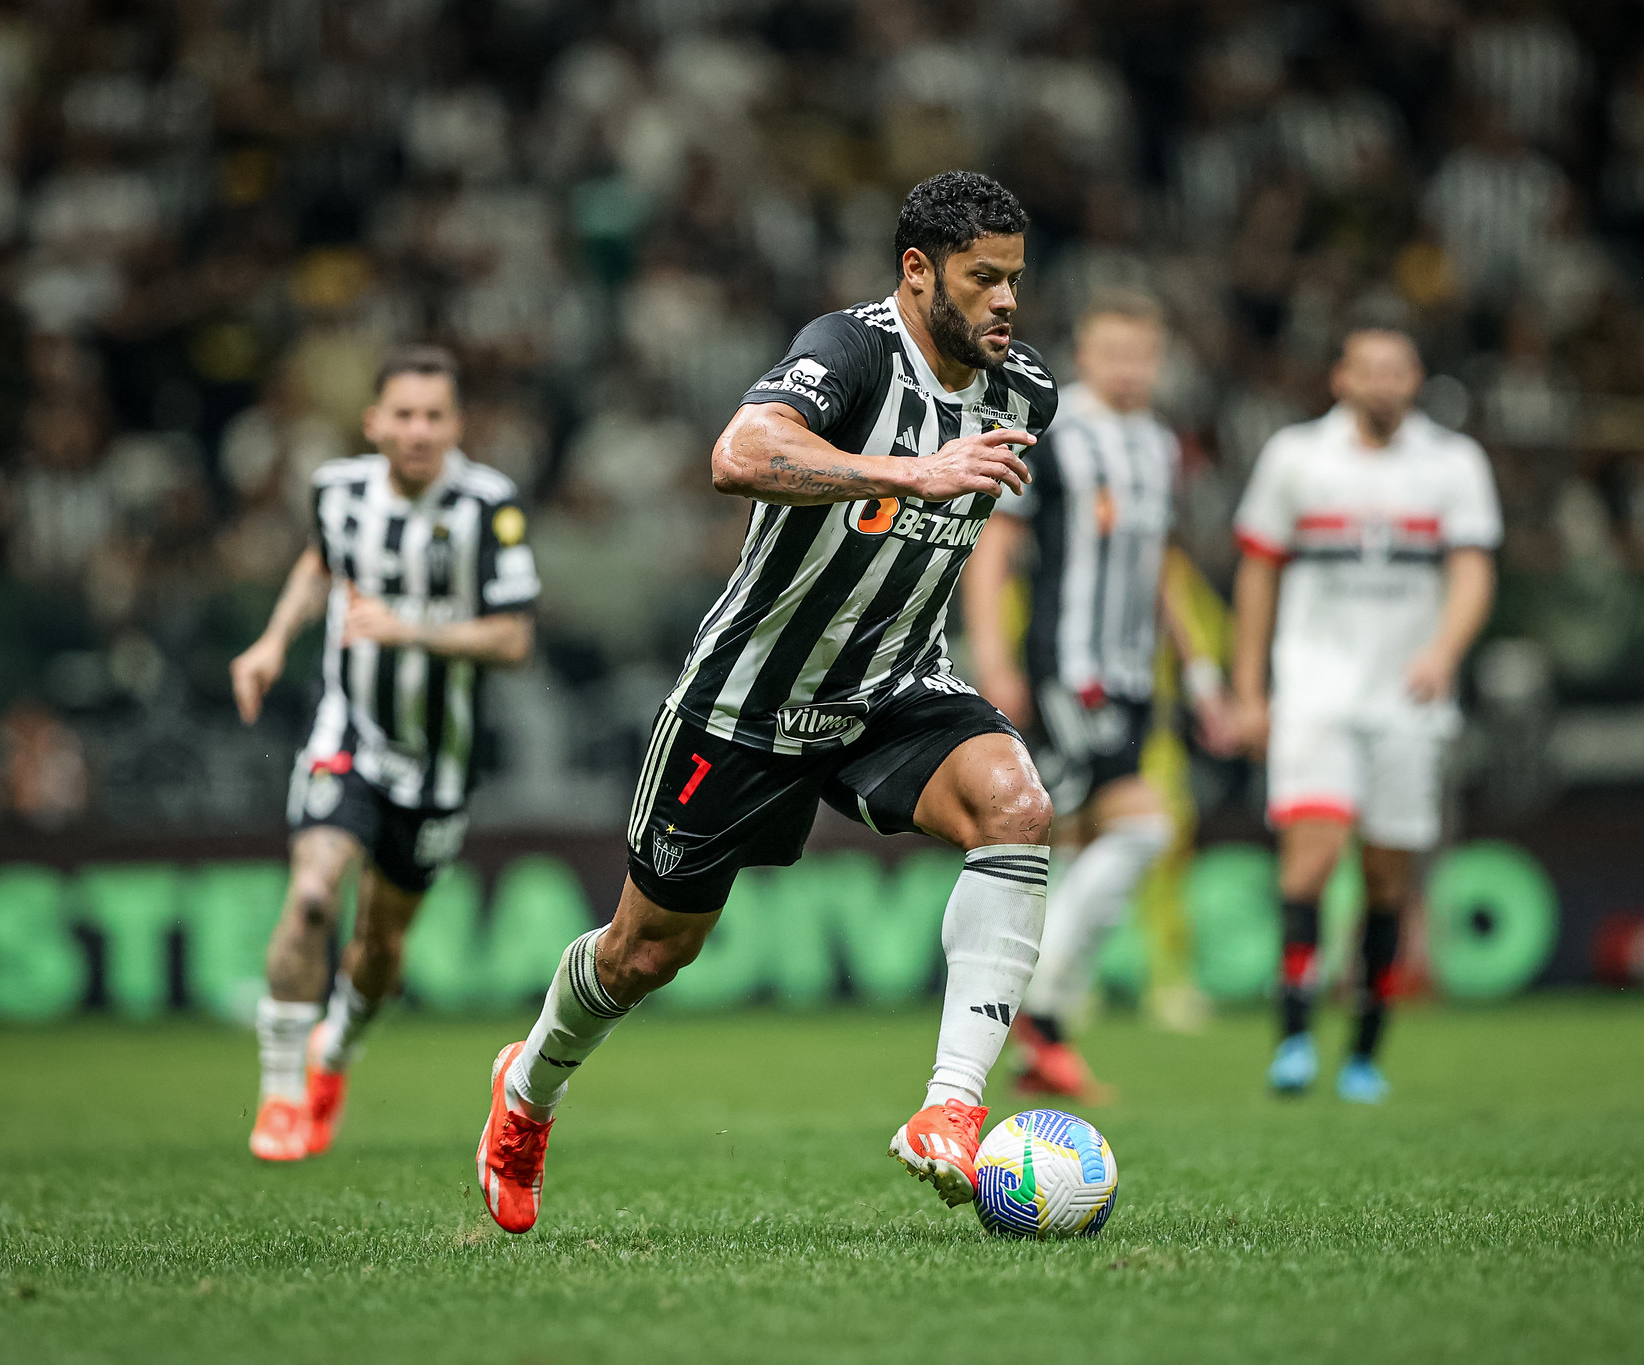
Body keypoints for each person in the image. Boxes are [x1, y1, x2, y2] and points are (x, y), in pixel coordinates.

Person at [474, 171, 1060, 1235]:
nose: (1007, 302)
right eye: (983, 280)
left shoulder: (1025, 395)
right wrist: (910, 474)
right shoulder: (848, 349)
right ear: (918, 272)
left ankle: (951, 1108)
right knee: (644, 954)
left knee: (1017, 809)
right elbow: (739, 454)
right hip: (748, 700)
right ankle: (528, 1091)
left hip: (891, 683)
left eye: (1015, 279)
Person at [229, 347, 538, 1160]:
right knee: (311, 898)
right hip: (347, 736)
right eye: (402, 414)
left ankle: (335, 1055)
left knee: (379, 943)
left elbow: (512, 637)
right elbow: (319, 564)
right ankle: (282, 1092)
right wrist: (270, 642)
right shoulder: (337, 490)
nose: (418, 430)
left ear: (456, 425)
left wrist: (413, 631)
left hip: (438, 763)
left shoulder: (488, 505)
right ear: (373, 422)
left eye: (434, 415)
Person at [960, 291, 1231, 1100]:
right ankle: (1041, 1016)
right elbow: (995, 543)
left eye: (1142, 354)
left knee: (1069, 847)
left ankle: (1036, 1033)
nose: (1129, 368)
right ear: (1084, 354)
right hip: (1069, 669)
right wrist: (993, 655)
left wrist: (1203, 672)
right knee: (1144, 826)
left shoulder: (1155, 444)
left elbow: (1159, 569)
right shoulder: (1056, 430)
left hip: (1134, 677)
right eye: (1114, 352)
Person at [1230, 329, 1498, 1103]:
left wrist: (1443, 651)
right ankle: (1291, 1036)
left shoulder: (1452, 463)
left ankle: (1365, 1051)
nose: (1383, 383)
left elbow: (1473, 571)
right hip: (1314, 687)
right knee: (1311, 854)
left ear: (1414, 378)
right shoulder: (1294, 457)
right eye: (1368, 370)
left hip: (1406, 696)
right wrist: (1251, 687)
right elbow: (1256, 570)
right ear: (1340, 377)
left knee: (1386, 875)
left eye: (1397, 370)